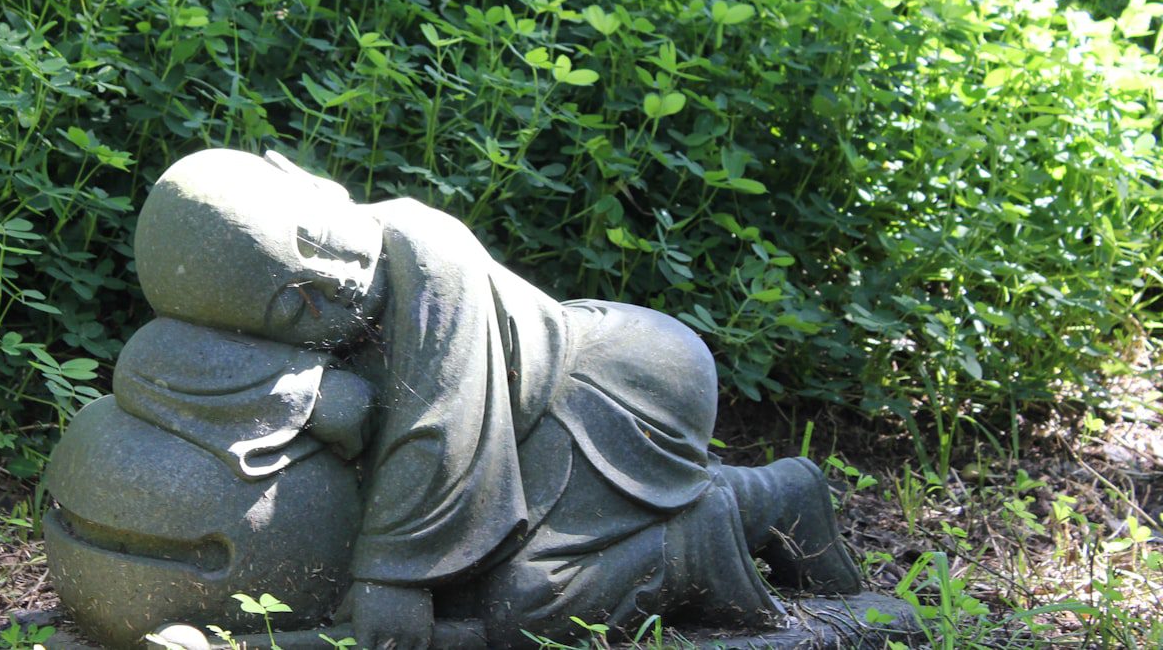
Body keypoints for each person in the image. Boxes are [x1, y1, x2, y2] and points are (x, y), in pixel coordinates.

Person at [133, 148, 860, 650]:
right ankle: (733, 504)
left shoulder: (422, 246)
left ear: (306, 180)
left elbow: (440, 425)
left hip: (615, 383)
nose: (337, 280)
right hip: (519, 419)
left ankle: (758, 503)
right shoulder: (287, 309)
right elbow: (156, 359)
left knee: (533, 603)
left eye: (317, 239)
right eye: (297, 307)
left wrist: (390, 574)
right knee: (476, 596)